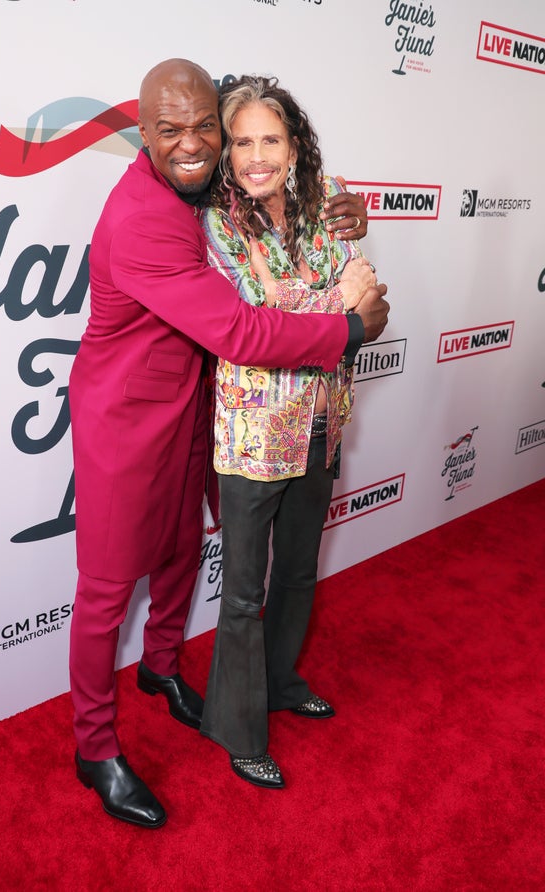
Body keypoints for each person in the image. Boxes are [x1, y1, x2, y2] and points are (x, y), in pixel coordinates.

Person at [68, 58, 389, 827]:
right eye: (170, 131)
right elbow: (239, 329)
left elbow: (275, 181)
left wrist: (350, 208)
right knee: (107, 592)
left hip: (192, 408)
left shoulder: (206, 180)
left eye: (203, 126)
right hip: (124, 419)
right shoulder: (143, 217)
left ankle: (163, 671)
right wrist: (349, 328)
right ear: (140, 135)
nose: (193, 144)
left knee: (182, 551)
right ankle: (94, 747)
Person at [199, 75, 380, 788]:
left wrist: (313, 302)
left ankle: (278, 683)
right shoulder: (217, 221)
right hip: (253, 430)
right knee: (244, 588)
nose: (255, 155)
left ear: (295, 144)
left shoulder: (326, 198)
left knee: (299, 569)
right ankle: (237, 727)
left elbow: (361, 279)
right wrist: (338, 305)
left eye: (269, 138)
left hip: (320, 420)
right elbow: (252, 316)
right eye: (241, 142)